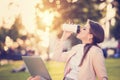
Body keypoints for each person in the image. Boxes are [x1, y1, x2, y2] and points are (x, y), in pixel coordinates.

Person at [27, 19, 108, 80]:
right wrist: (64, 37)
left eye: (84, 29)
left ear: (90, 36)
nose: (80, 29)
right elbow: (56, 57)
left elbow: (102, 76)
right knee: (35, 78)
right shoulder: (76, 48)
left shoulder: (95, 51)